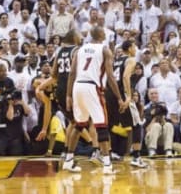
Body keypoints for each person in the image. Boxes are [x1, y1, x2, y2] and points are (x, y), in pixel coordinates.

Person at [63, 26, 126, 174]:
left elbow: (72, 73)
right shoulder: (105, 50)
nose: (105, 33)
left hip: (78, 86)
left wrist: (68, 95)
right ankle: (107, 165)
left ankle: (68, 160)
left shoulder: (80, 50)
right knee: (101, 125)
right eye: (104, 32)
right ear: (101, 35)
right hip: (92, 88)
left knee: (79, 125)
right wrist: (119, 98)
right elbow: (110, 76)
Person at [106, 40, 147, 168]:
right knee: (137, 124)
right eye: (135, 46)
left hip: (110, 93)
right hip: (121, 93)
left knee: (112, 125)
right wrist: (128, 96)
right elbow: (125, 77)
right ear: (129, 48)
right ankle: (136, 157)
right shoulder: (130, 60)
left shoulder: (115, 60)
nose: (136, 49)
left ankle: (111, 153)